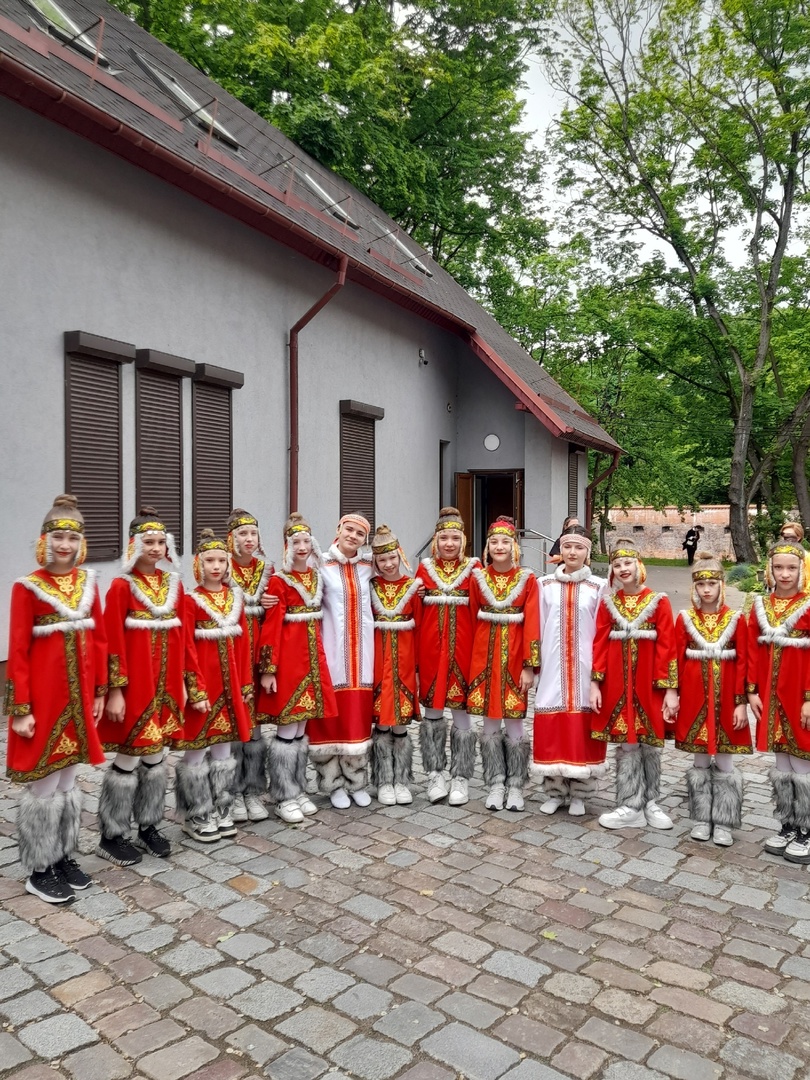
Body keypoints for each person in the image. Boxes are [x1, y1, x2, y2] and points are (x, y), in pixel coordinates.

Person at [4, 495, 107, 903]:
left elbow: (99, 641)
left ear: (81, 543)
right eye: (58, 537)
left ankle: (62, 854)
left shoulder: (88, 584)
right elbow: (18, 651)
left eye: (72, 538)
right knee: (45, 783)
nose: (65, 545)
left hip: (80, 701)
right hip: (44, 702)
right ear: (44, 540)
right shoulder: (27, 587)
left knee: (68, 779)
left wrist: (100, 691)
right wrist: (20, 709)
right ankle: (38, 868)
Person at [96, 508, 207, 866]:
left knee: (156, 758)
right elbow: (111, 641)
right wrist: (115, 690)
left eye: (161, 542)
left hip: (168, 689)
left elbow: (185, 640)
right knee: (130, 756)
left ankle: (149, 825)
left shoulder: (174, 586)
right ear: (134, 545)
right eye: (149, 542)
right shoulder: (121, 587)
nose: (156, 548)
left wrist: (189, 684)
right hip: (137, 689)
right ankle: (112, 834)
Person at [590, 539, 679, 830]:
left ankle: (651, 802)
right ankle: (630, 805)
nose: (622, 568)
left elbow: (668, 646)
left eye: (627, 563)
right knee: (627, 741)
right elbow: (599, 644)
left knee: (650, 742)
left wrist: (670, 690)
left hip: (650, 684)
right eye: (617, 565)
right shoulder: (609, 603)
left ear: (638, 565)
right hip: (618, 684)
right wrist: (595, 683)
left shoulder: (659, 601)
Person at [256, 513, 335, 823]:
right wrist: (268, 668)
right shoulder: (279, 581)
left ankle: (297, 788)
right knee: (287, 729)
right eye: (295, 542)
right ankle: (283, 795)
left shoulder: (316, 577)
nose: (302, 547)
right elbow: (271, 626)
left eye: (306, 541)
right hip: (289, 663)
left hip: (313, 662)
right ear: (286, 545)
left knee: (302, 730)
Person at [175, 530, 252, 843]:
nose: (216, 566)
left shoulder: (235, 599)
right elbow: (185, 647)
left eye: (221, 560)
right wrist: (195, 689)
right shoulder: (190, 601)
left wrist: (245, 684)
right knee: (196, 748)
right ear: (199, 564)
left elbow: (244, 644)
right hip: (204, 688)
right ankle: (196, 813)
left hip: (229, 688)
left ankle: (222, 807)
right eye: (210, 560)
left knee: (224, 750)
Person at [532, 526, 608, 816]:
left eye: (579, 547)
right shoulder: (544, 585)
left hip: (585, 669)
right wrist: (534, 666)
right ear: (560, 550)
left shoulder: (599, 587)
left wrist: (599, 673)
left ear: (587, 552)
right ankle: (554, 790)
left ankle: (580, 793)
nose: (572, 553)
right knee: (552, 727)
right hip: (553, 668)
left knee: (583, 729)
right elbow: (537, 626)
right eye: (567, 547)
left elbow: (602, 632)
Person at [675, 553, 750, 846]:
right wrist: (673, 694)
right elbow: (676, 660)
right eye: (701, 584)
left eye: (712, 584)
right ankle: (701, 817)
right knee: (700, 760)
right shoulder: (685, 619)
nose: (707, 590)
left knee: (726, 760)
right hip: (694, 700)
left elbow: (743, 662)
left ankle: (724, 820)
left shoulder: (736, 619)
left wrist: (741, 702)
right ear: (694, 586)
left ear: (722, 585)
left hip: (728, 699)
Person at [467, 516, 539, 811]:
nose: (499, 547)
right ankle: (495, 782)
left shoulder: (528, 579)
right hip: (483, 660)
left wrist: (529, 666)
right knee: (489, 722)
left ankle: (516, 784)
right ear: (487, 547)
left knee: (514, 720)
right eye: (494, 542)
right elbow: (472, 618)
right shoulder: (477, 579)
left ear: (514, 547)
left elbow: (532, 623)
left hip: (513, 661)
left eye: (505, 542)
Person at [748, 540, 810, 863]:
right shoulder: (761, 606)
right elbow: (752, 650)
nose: (785, 574)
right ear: (769, 570)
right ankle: (788, 823)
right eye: (778, 567)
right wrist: (751, 691)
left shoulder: (809, 606)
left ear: (803, 570)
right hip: (771, 698)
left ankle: (807, 829)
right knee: (782, 762)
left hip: (799, 695)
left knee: (802, 762)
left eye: (791, 568)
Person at [308, 513, 375, 808]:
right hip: (331, 651)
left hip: (363, 654)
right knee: (329, 719)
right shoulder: (319, 564)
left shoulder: (368, 566)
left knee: (357, 717)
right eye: (349, 529)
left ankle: (356, 780)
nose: (353, 536)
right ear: (338, 529)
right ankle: (332, 783)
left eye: (360, 534)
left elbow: (395, 575)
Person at [416, 507, 479, 806]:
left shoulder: (475, 571)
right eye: (444, 538)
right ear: (436, 541)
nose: (449, 544)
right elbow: (415, 614)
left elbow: (480, 613)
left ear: (463, 540)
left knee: (462, 715)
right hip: (430, 654)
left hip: (463, 654)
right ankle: (435, 774)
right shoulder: (424, 569)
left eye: (455, 538)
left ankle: (461, 776)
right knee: (432, 714)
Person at [369, 525, 422, 806]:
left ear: (399, 555)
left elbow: (421, 629)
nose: (388, 564)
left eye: (392, 558)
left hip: (404, 663)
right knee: (381, 722)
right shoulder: (370, 588)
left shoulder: (413, 588)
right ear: (375, 562)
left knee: (400, 722)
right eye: (382, 560)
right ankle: (383, 780)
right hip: (378, 664)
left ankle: (401, 779)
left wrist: (418, 669)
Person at [227, 508, 273, 824]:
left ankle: (253, 789)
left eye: (253, 533)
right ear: (231, 538)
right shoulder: (220, 565)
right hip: (231, 654)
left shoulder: (266, 570)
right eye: (242, 533)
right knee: (234, 720)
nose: (249, 539)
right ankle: (231, 790)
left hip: (257, 655)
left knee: (254, 722)